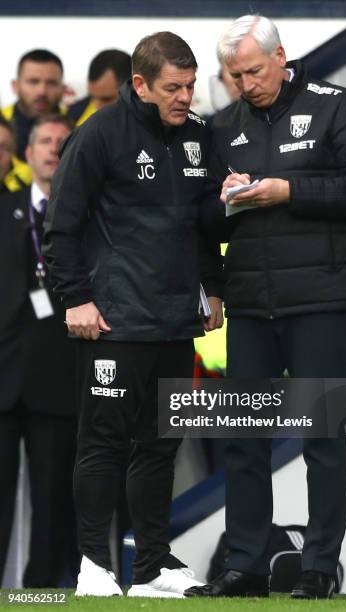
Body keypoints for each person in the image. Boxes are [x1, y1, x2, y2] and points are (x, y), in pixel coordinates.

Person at [184, 15, 346, 600]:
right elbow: (200, 218)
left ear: (281, 56)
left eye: (252, 70)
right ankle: (244, 565)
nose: (245, 84)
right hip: (250, 301)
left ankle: (320, 565)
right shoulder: (224, 127)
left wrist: (288, 190)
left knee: (322, 435)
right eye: (234, 75)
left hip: (322, 298)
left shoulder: (336, 105)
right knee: (244, 437)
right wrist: (225, 207)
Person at [42, 31, 223, 598]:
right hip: (113, 322)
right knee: (103, 443)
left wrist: (212, 290)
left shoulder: (198, 136)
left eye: (191, 86)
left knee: (160, 444)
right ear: (140, 84)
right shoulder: (96, 136)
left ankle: (150, 568)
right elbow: (60, 229)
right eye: (173, 87)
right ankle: (95, 566)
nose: (185, 97)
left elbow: (203, 228)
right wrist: (75, 298)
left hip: (174, 320)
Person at [0, 114, 78, 587]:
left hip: (60, 375)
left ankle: (43, 595)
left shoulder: (89, 213)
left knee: (53, 501)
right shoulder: (3, 207)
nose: (52, 149)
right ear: (26, 155)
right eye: (43, 141)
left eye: (61, 142)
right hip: (3, 377)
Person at [1, 49, 66, 186]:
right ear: (15, 86)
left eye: (51, 83)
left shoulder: (79, 127)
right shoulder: (2, 123)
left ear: (63, 89)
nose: (42, 91)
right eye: (33, 82)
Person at [68, 49, 132, 126]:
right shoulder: (73, 115)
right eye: (91, 96)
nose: (96, 107)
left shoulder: (148, 125)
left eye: (106, 99)